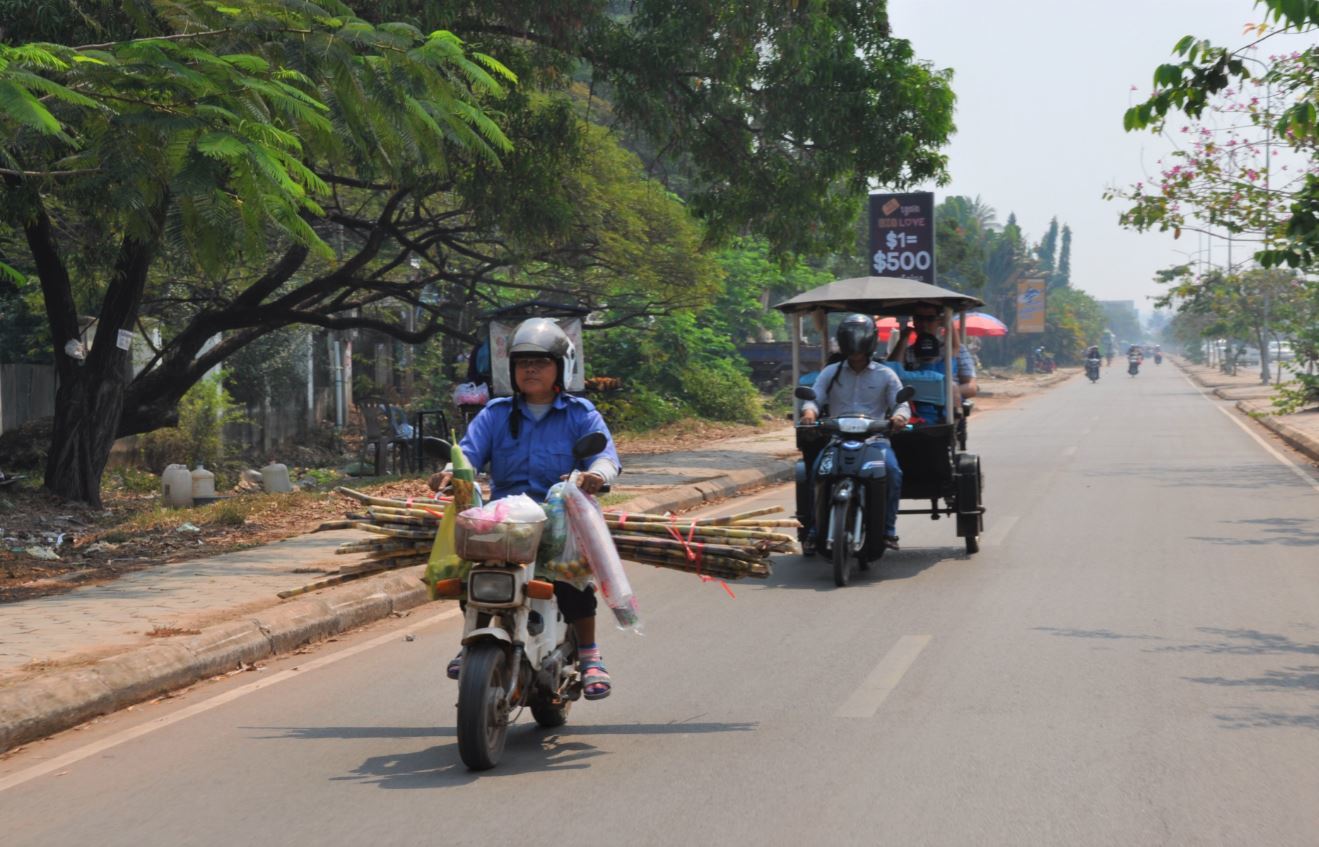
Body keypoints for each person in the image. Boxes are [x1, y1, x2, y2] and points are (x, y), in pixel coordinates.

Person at [428, 317, 621, 699]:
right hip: (506, 520)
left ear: (560, 368)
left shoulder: (580, 413)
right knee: (469, 572)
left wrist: (595, 476)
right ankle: (472, 634)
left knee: (571, 578)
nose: (530, 369)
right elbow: (467, 453)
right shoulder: (495, 413)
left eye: (540, 362)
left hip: (561, 517)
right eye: (522, 363)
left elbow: (604, 457)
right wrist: (451, 472)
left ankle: (589, 653)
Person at [799, 314, 910, 552]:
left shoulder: (885, 374)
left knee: (892, 471)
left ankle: (888, 530)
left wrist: (899, 417)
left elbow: (901, 403)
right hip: (837, 439)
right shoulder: (831, 372)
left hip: (875, 441)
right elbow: (815, 398)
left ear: (869, 343)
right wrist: (809, 413)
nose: (856, 350)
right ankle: (814, 530)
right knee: (818, 472)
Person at [888, 306, 979, 398]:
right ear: (914, 321)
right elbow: (891, 375)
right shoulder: (906, 352)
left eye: (930, 319)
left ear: (939, 321)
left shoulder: (953, 350)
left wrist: (950, 391)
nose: (924, 324)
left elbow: (971, 388)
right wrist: (903, 339)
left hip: (948, 406)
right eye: (919, 319)